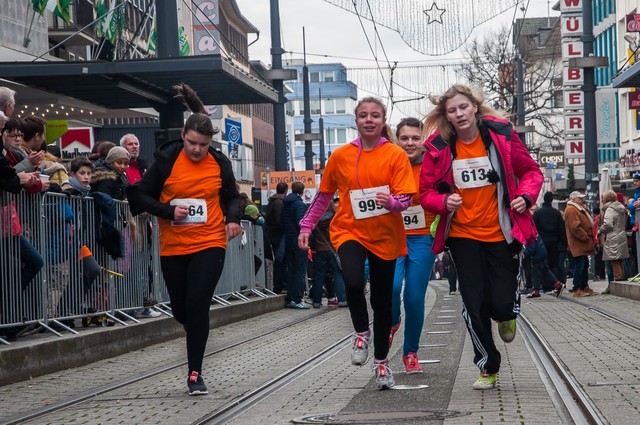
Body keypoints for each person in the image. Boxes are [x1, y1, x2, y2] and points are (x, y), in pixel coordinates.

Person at [419, 84, 543, 390]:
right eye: (452, 110)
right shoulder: (438, 147)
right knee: (473, 303)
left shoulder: (501, 136)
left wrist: (525, 196)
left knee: (500, 304)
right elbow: (425, 193)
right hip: (462, 235)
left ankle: (507, 313)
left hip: (500, 232)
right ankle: (487, 365)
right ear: (446, 116)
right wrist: (443, 202)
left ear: (475, 107)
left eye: (463, 107)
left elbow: (532, 172)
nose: (459, 114)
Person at [126, 83, 242, 396]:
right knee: (181, 310)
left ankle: (195, 374)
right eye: (192, 143)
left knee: (197, 303)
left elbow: (233, 197)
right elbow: (138, 195)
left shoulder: (219, 162)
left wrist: (233, 220)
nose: (197, 150)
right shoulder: (167, 160)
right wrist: (168, 212)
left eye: (203, 144)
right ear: (183, 136)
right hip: (174, 246)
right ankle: (195, 328)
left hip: (210, 242)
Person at [299, 97, 416, 390]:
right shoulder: (341, 156)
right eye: (363, 115)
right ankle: (361, 331)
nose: (369, 120)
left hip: (385, 235)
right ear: (356, 121)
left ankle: (381, 362)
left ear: (383, 121)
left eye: (375, 115)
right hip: (349, 230)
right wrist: (306, 225)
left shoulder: (395, 155)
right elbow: (324, 195)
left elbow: (406, 198)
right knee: (352, 282)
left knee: (382, 300)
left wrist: (391, 202)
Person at [389, 117, 437, 374]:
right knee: (392, 286)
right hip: (392, 236)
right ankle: (392, 320)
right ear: (396, 140)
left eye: (415, 138)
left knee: (414, 297)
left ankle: (410, 353)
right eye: (404, 138)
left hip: (422, 238)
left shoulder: (432, 165)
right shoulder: (389, 163)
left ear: (423, 141)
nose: (410, 143)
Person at [309, 199, 347, 308]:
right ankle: (342, 299)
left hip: (320, 250)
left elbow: (312, 234)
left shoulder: (316, 219)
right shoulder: (335, 217)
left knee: (319, 275)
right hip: (333, 249)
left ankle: (316, 301)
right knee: (337, 274)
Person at [282, 181, 310, 309]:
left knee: (291, 270)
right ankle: (297, 299)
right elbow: (301, 223)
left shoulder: (285, 203)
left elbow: (282, 221)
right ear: (302, 191)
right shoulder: (299, 204)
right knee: (300, 270)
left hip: (288, 240)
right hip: (299, 241)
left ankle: (290, 298)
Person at [564, 191, 596, 297]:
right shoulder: (571, 209)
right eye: (580, 198)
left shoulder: (577, 208)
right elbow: (575, 227)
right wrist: (584, 236)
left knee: (584, 264)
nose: (582, 200)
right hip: (578, 242)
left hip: (581, 243)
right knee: (580, 265)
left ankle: (583, 286)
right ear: (573, 199)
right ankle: (577, 288)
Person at [598, 190, 629, 292]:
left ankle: (617, 282)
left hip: (612, 237)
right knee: (619, 259)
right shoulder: (620, 207)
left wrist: (600, 229)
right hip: (621, 235)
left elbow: (608, 224)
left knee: (614, 260)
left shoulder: (610, 209)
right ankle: (620, 280)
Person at [265, 182, 288, 294]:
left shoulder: (272, 201)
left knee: (279, 260)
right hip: (278, 235)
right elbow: (279, 220)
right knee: (281, 260)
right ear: (286, 191)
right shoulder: (279, 203)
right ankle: (280, 284)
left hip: (273, 233)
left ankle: (279, 284)